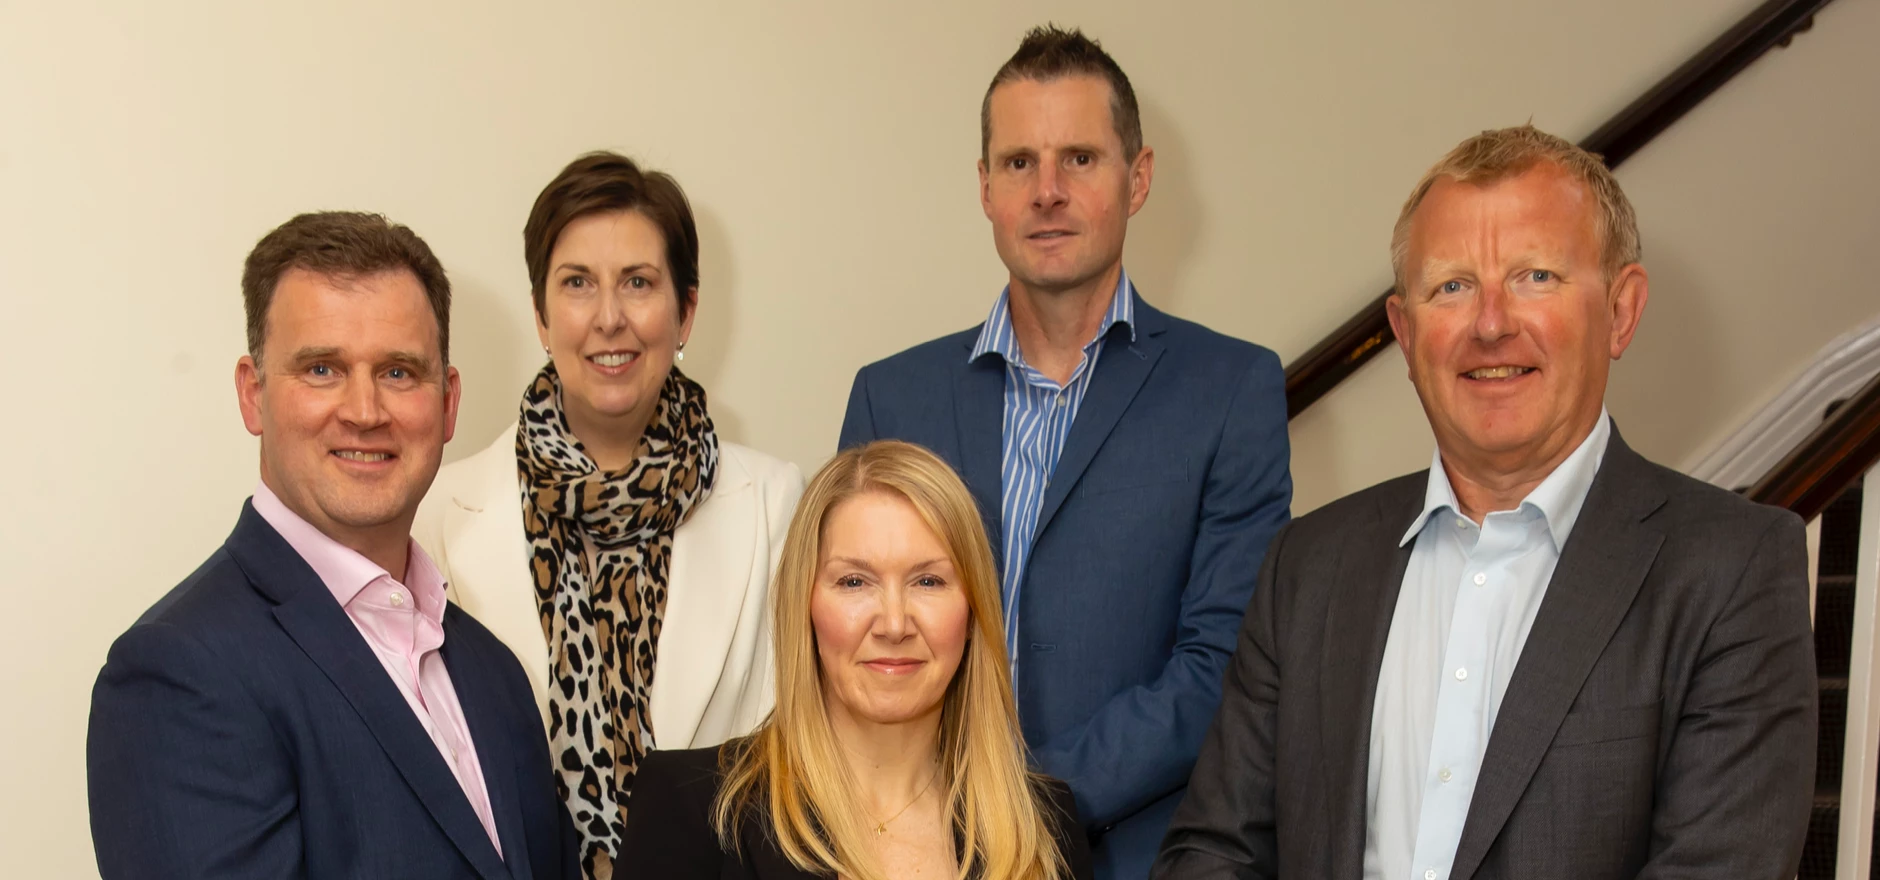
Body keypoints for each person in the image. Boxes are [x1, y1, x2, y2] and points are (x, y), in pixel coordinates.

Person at [1154, 125, 1817, 879]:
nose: (1492, 323)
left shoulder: (1731, 570)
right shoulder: (1308, 567)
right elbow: (1214, 851)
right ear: (1405, 335)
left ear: (1622, 312)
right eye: (1452, 286)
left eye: (1536, 276)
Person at [837, 25, 1291, 877]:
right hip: (904, 854)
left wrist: (1006, 804)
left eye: (1080, 158)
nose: (1047, 191)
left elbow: (1222, 665)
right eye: (1018, 163)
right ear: (984, 187)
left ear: (1139, 178)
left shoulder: (1232, 391)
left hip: (1134, 856)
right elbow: (848, 642)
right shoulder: (889, 397)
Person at [87, 212, 577, 879]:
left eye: (400, 372)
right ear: (253, 395)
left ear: (449, 402)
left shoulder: (495, 675)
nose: (365, 410)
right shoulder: (179, 673)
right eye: (322, 369)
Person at [413, 151, 804, 879]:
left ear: (685, 311)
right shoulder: (440, 513)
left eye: (638, 283)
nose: (609, 318)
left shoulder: (780, 505)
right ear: (540, 314)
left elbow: (797, 758)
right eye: (577, 285)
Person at [621, 440, 1094, 880]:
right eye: (854, 582)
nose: (893, 624)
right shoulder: (691, 806)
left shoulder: (1046, 826)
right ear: (803, 605)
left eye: (928, 581)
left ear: (973, 611)